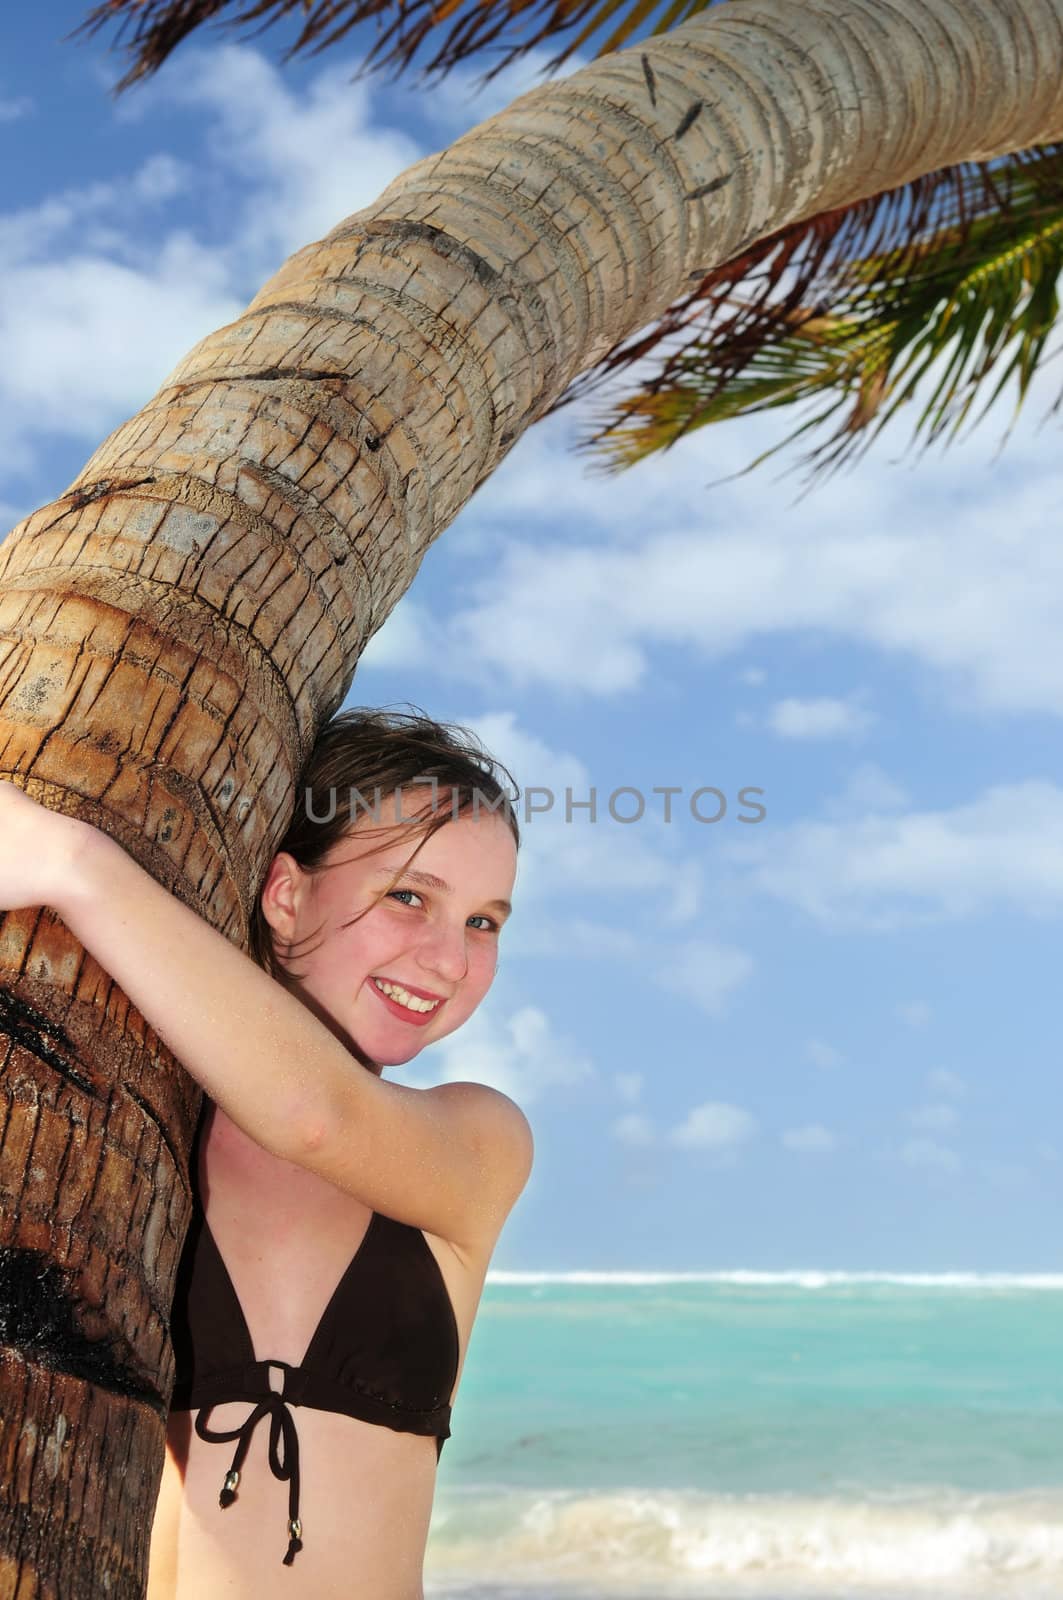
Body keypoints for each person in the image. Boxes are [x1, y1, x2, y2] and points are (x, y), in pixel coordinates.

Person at [0, 706, 533, 1600]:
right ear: (286, 895)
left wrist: (75, 866)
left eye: (485, 923)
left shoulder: (475, 1140)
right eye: (409, 896)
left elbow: (314, 1115)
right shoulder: (116, 1131)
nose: (448, 960)